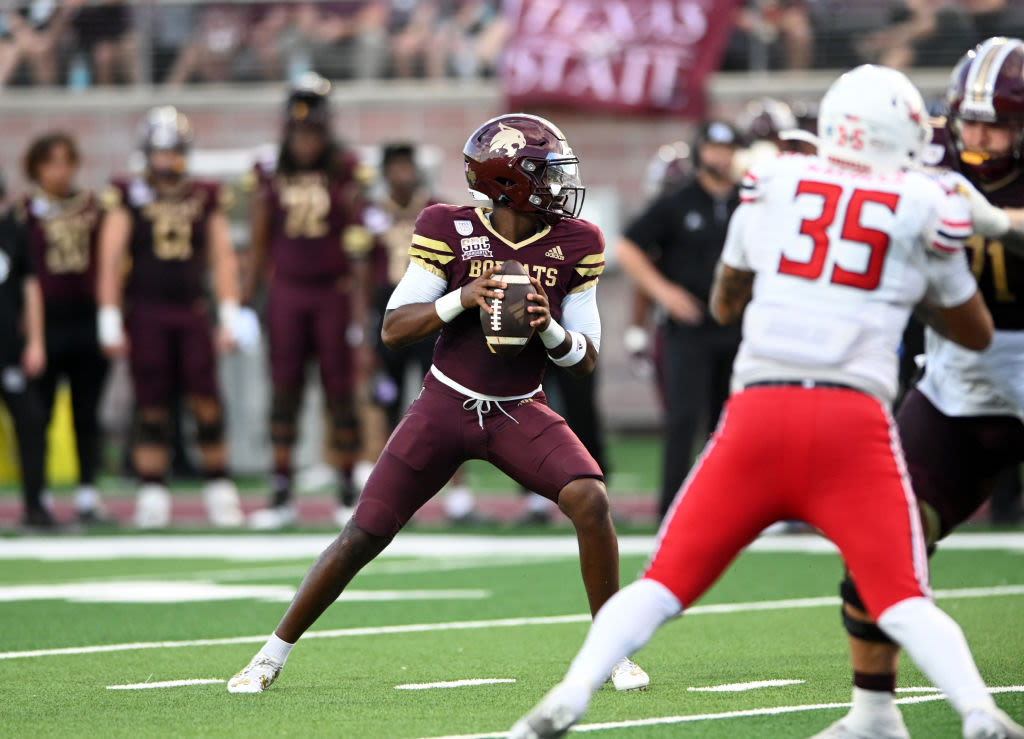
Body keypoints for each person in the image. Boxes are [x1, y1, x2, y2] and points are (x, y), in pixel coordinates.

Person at [510, 65, 1024, 739]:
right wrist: (909, 288)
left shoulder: (773, 182)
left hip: (758, 412)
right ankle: (980, 709)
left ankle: (571, 691)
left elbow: (727, 300)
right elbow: (976, 330)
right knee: (901, 592)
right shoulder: (928, 203)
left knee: (661, 583)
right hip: (852, 421)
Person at [226, 113, 648, 694]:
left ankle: (612, 650)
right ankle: (270, 655)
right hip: (445, 404)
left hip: (518, 407)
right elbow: (395, 327)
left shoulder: (578, 242)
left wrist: (548, 329)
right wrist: (463, 298)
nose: (559, 184)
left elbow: (587, 357)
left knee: (590, 499)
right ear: (506, 181)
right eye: (545, 172)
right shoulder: (447, 226)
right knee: (365, 530)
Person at [824, 37, 1024, 739]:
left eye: (998, 124)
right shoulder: (926, 147)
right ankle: (874, 711)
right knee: (877, 535)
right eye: (969, 121)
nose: (979, 138)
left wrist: (1002, 224)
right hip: (956, 378)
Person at [95, 106, 244, 529]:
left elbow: (221, 257)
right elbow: (110, 258)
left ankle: (219, 487)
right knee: (151, 406)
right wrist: (108, 315)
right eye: (159, 151)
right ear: (146, 153)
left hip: (192, 310)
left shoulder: (204, 194)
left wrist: (229, 311)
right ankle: (152, 491)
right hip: (146, 312)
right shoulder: (128, 193)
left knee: (207, 402)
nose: (165, 159)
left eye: (172, 150)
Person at [245, 73, 372, 531]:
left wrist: (359, 310)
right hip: (288, 292)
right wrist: (245, 300)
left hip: (332, 293)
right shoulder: (269, 169)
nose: (304, 141)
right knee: (285, 390)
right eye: (298, 132)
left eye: (312, 131)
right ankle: (281, 491)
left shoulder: (347, 168)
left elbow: (359, 243)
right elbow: (259, 238)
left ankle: (345, 489)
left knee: (340, 391)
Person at [615, 120, 742, 520]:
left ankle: (730, 507)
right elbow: (628, 247)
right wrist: (665, 293)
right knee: (683, 418)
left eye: (726, 148)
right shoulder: (678, 202)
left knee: (733, 423)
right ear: (699, 151)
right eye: (712, 148)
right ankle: (671, 510)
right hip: (688, 330)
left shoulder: (747, 201)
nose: (719, 157)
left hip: (737, 328)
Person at [365, 141, 482, 525]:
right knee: (386, 403)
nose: (402, 174)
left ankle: (459, 496)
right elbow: (356, 271)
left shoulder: (437, 209)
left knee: (446, 401)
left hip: (430, 312)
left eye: (406, 166)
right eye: (394, 167)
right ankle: (383, 493)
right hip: (389, 313)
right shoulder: (371, 213)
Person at [21, 132, 111, 524]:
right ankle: (37, 495)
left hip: (85, 316)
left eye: (65, 161)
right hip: (45, 322)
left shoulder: (94, 207)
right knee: (37, 413)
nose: (59, 171)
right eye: (50, 162)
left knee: (86, 411)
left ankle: (87, 494)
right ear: (35, 168)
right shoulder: (24, 213)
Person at [0, 168, 49, 528]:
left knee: (31, 421)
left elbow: (31, 290)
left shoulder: (14, 231)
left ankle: (35, 504)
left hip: (8, 348)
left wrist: (35, 341)